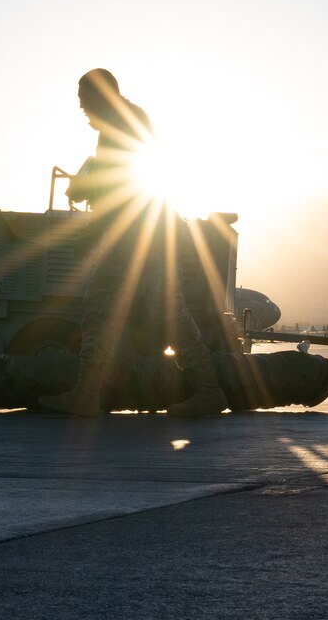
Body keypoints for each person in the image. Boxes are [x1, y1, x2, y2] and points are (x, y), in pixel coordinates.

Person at [36, 68, 227, 418]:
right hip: (150, 234)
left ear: (100, 96)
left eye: (84, 102)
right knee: (169, 314)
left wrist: (91, 233)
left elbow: (123, 188)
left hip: (137, 236)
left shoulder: (119, 124)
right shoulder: (128, 119)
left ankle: (88, 395)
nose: (83, 110)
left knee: (99, 308)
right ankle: (208, 389)